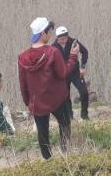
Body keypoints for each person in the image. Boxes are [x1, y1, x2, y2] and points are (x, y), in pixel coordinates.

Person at [18, 17, 80, 160]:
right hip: (57, 99)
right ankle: (66, 152)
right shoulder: (53, 52)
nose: (51, 35)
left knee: (42, 132)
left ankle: (48, 160)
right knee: (64, 124)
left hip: (37, 102)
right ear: (43, 34)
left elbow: (23, 83)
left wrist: (28, 102)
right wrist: (73, 56)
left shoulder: (22, 57)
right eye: (49, 32)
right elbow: (63, 73)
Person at [55, 26, 90, 120]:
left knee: (84, 92)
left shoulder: (73, 42)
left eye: (65, 38)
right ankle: (70, 116)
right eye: (61, 39)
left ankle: (84, 115)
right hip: (63, 74)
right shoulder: (53, 47)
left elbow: (85, 52)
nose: (64, 41)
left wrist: (83, 67)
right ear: (57, 38)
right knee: (65, 96)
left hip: (75, 72)